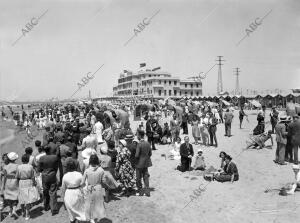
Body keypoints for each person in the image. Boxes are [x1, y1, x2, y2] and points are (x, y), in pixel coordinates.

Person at [82, 154, 106, 223]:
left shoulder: (87, 170)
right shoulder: (101, 170)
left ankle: (91, 219)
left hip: (90, 188)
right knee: (98, 204)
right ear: (97, 161)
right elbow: (104, 181)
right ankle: (97, 219)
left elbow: (83, 182)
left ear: (90, 161)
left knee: (89, 204)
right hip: (98, 188)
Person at [16, 154, 40, 220]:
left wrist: (17, 184)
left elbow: (17, 177)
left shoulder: (18, 167)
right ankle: (27, 213)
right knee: (28, 199)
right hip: (29, 182)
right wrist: (34, 183)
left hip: (21, 182)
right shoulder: (30, 166)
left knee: (21, 198)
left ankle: (23, 211)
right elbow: (32, 176)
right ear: (28, 160)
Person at [61, 159, 86, 223]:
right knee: (80, 209)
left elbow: (63, 189)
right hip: (78, 192)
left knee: (71, 212)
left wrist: (63, 200)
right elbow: (83, 185)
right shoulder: (79, 174)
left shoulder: (65, 176)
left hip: (69, 194)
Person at [38, 146, 59, 215]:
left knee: (45, 191)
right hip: (52, 175)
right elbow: (56, 167)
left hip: (44, 176)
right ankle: (54, 209)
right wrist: (54, 172)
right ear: (50, 150)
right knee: (53, 192)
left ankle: (46, 206)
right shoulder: (54, 157)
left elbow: (39, 169)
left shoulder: (41, 158)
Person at [2, 152, 19, 218]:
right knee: (16, 196)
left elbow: (4, 176)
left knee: (9, 196)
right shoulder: (17, 166)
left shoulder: (5, 167)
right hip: (15, 182)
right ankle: (14, 210)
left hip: (7, 182)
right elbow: (18, 175)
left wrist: (3, 186)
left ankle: (10, 209)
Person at [135, 131, 152, 197]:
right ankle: (147, 192)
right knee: (146, 177)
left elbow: (136, 155)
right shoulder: (147, 143)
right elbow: (150, 154)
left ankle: (140, 192)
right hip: (146, 163)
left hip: (139, 163)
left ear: (139, 135)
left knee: (138, 178)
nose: (137, 136)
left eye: (137, 135)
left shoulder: (139, 144)